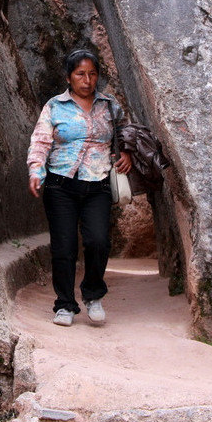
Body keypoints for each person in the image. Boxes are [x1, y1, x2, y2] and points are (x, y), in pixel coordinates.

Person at [27, 49, 132, 326]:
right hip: (60, 184)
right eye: (80, 74)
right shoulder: (54, 106)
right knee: (64, 247)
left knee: (98, 241)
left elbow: (124, 131)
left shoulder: (109, 105)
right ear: (68, 77)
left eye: (92, 74)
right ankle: (64, 305)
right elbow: (40, 141)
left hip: (97, 183)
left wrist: (127, 153)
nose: (87, 80)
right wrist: (36, 170)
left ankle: (93, 295)